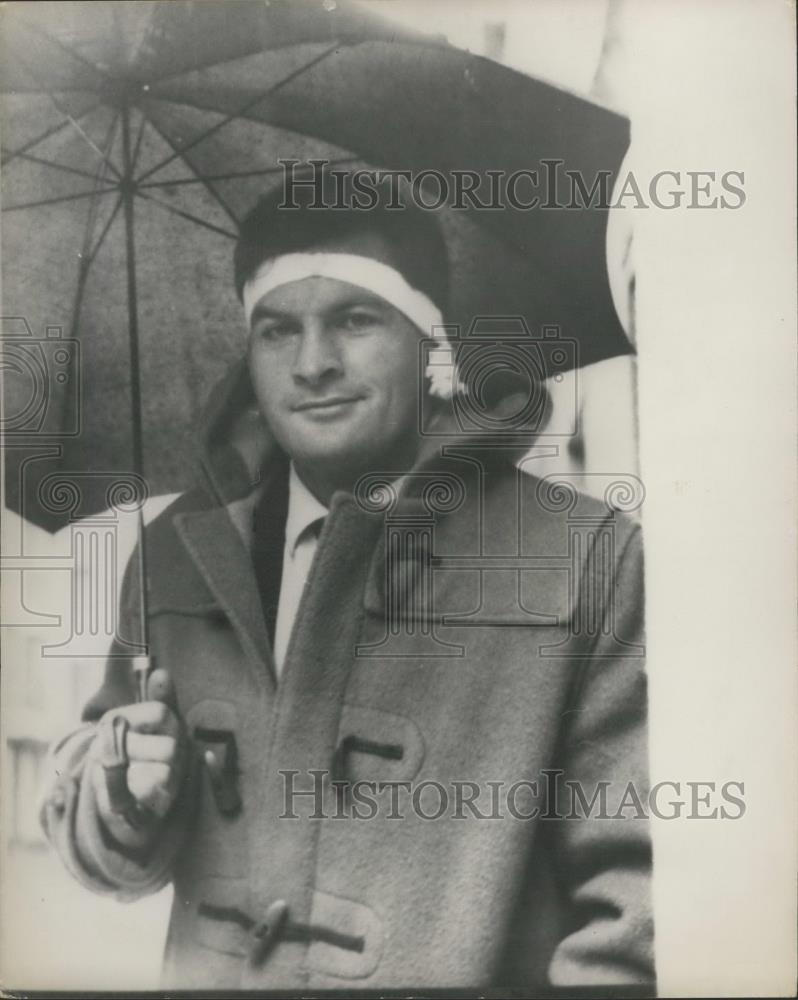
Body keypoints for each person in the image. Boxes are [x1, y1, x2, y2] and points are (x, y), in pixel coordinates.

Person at [41, 178, 655, 989]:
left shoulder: (587, 557)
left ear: (431, 346)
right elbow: (112, 856)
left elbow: (637, 899)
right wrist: (127, 791)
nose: (312, 363)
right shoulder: (174, 556)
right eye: (277, 330)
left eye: (354, 321)